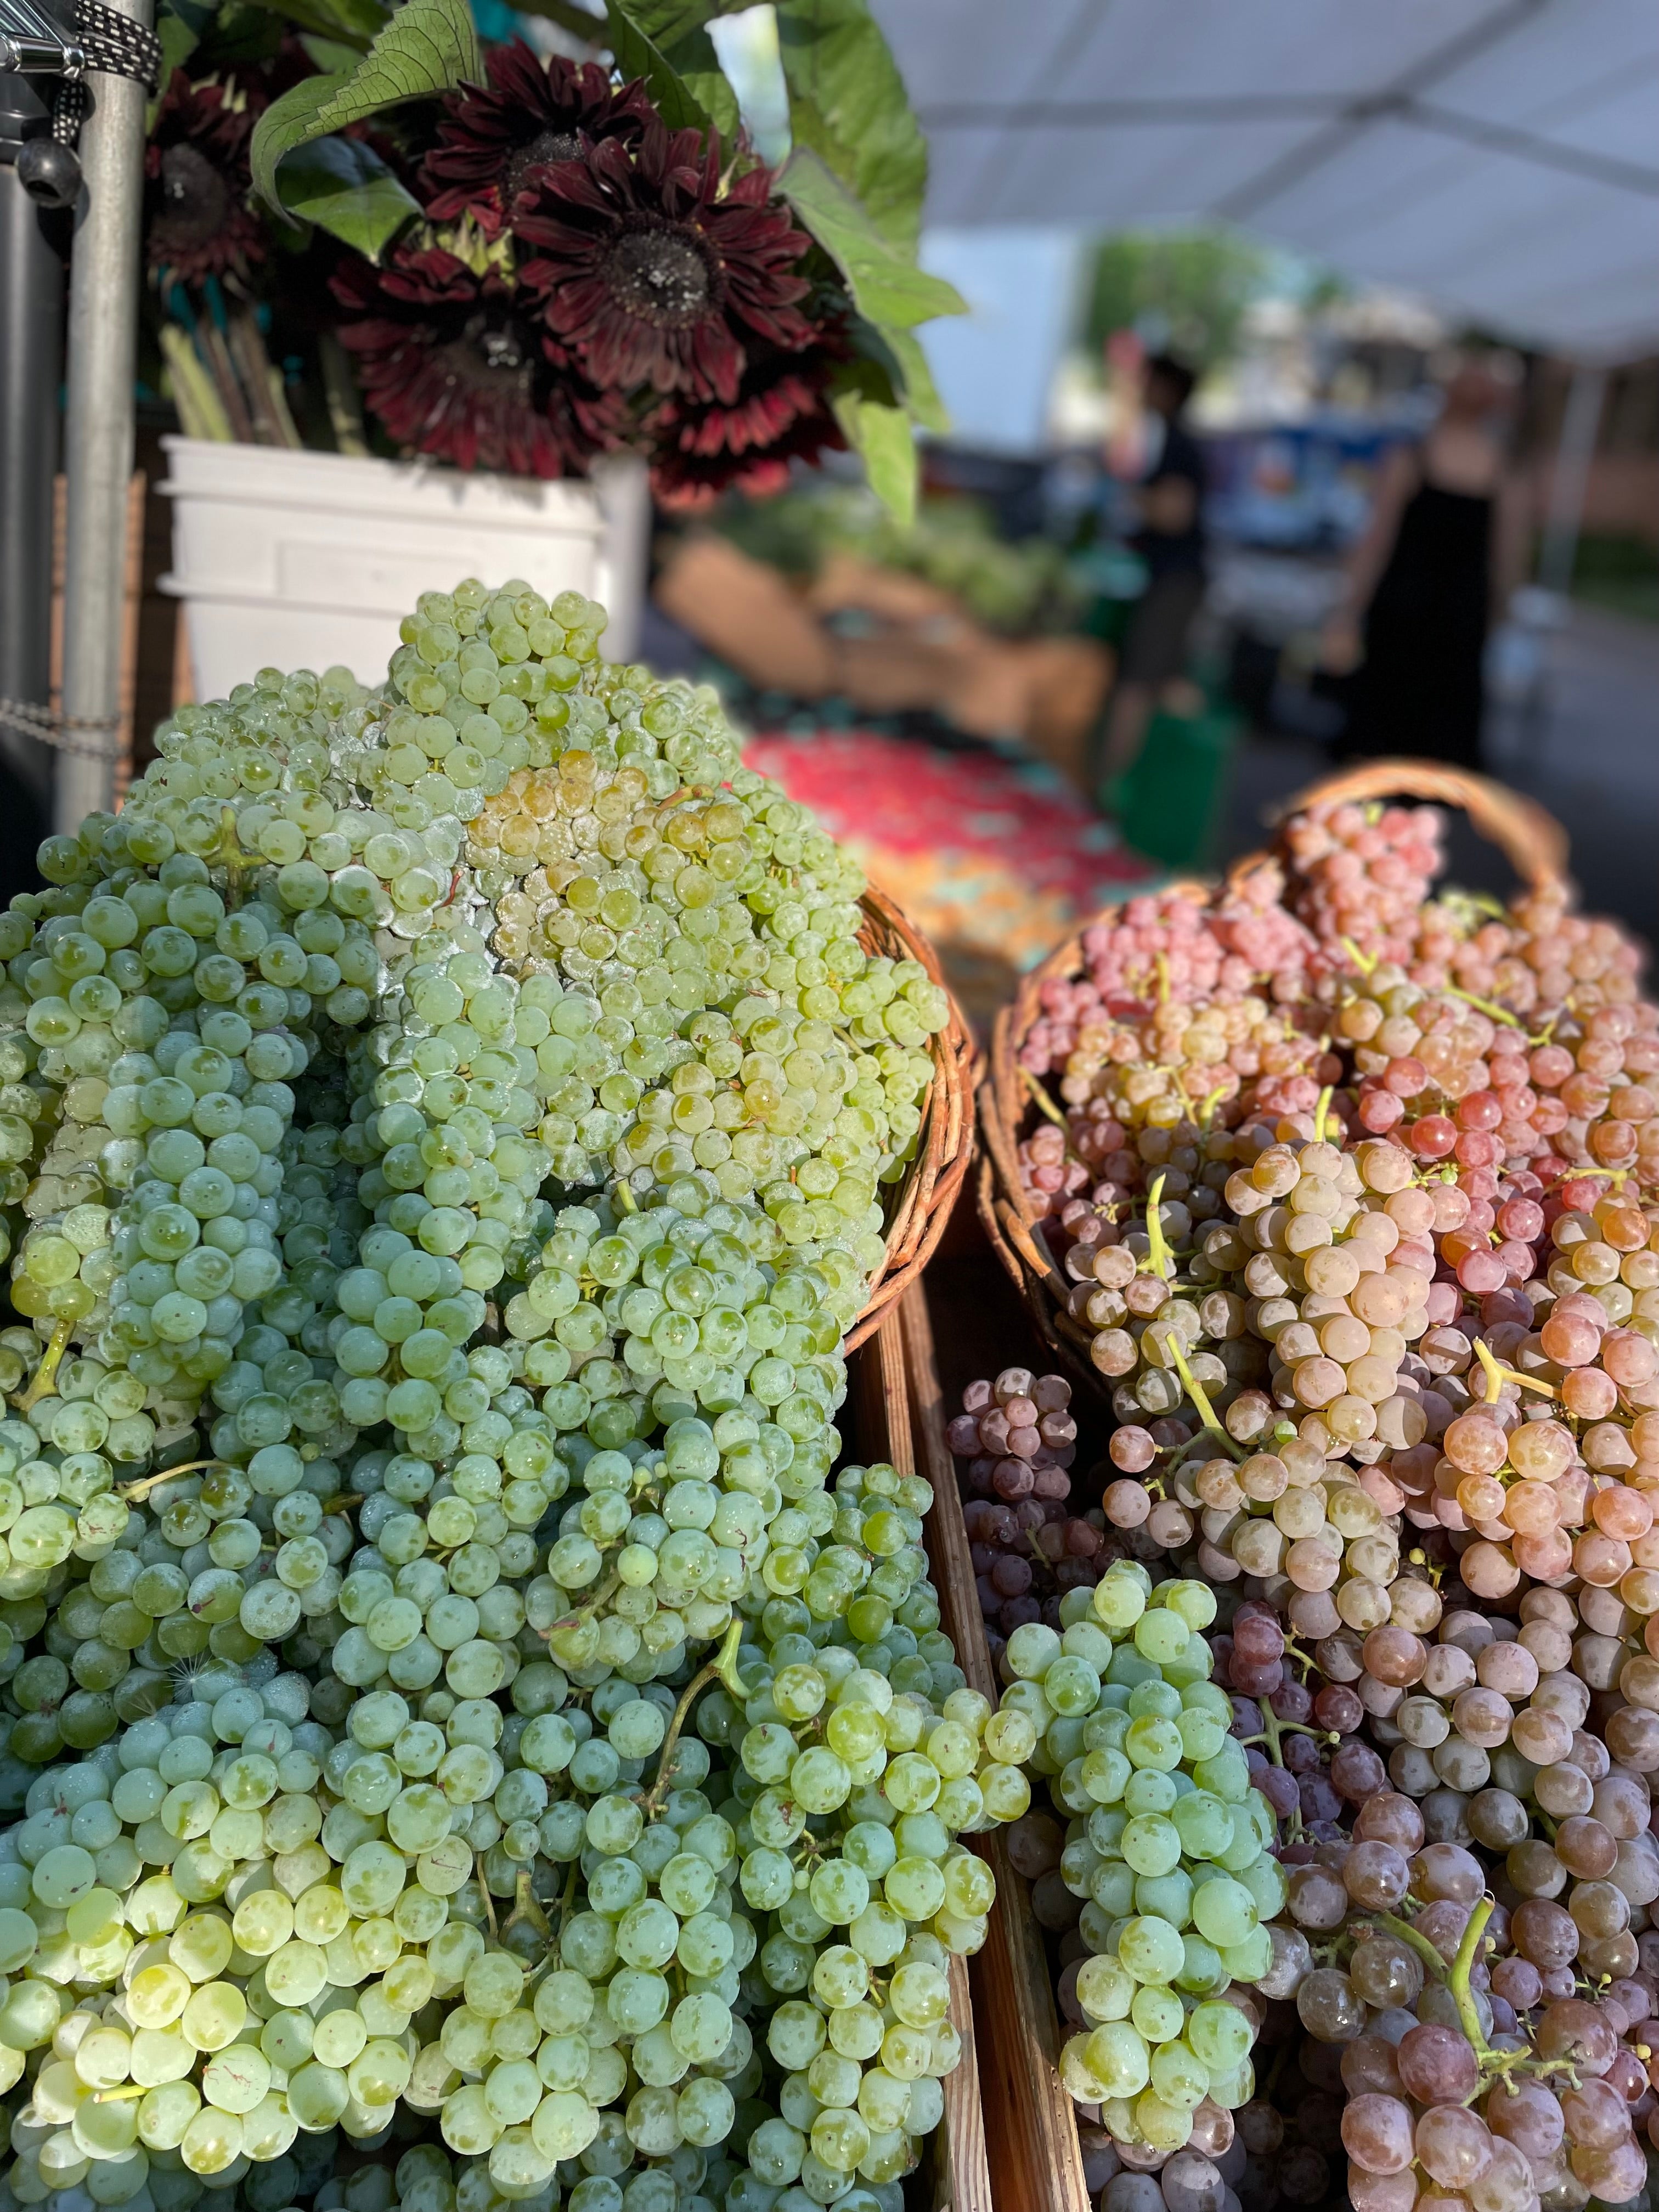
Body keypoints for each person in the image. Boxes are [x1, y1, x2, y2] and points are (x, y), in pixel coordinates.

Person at [1321, 349, 1526, 768]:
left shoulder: (1410, 457)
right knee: (1434, 754)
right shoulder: (1505, 470)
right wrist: (1500, 617)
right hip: (1457, 618)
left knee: (1378, 741)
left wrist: (1346, 610)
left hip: (1406, 610)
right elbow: (1510, 560)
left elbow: (1374, 541)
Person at [1097, 352, 1208, 788]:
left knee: (1139, 685)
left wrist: (1130, 501)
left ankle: (1114, 786)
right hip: (1172, 577)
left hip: (1174, 579)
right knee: (1160, 680)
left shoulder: (1179, 443)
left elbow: (1175, 510)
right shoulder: (1166, 439)